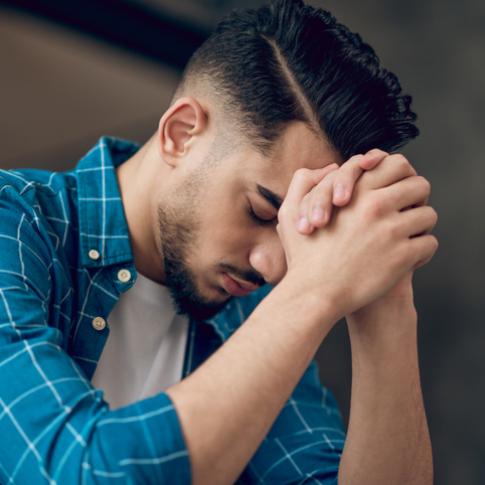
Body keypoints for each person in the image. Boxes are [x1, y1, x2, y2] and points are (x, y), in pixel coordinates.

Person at [0, 0, 438, 483]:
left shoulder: (253, 313)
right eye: (262, 211)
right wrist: (313, 294)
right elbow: (79, 473)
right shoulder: (16, 226)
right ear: (181, 134)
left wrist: (387, 301)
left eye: (297, 228)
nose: (274, 268)